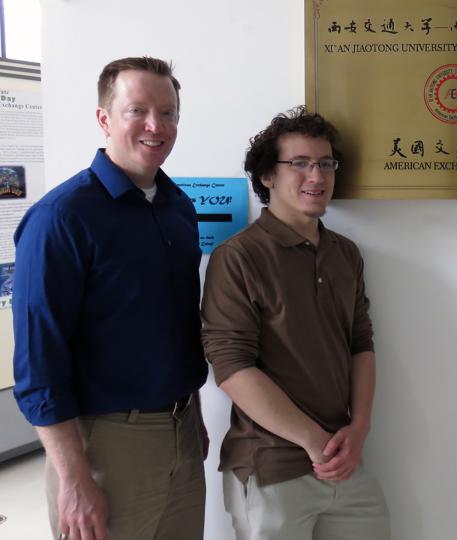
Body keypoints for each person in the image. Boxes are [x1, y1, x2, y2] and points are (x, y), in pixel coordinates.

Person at [12, 57, 208, 540]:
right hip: (103, 445)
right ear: (104, 118)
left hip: (181, 434)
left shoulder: (178, 207)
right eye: (136, 110)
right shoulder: (61, 218)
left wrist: (194, 415)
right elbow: (39, 361)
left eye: (168, 112)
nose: (155, 125)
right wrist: (74, 478)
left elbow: (178, 327)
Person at [201, 106, 389, 540]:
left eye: (325, 163)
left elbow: (361, 343)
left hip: (346, 461)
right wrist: (313, 440)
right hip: (271, 468)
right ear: (267, 175)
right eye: (299, 163)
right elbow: (230, 367)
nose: (317, 176)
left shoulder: (346, 254)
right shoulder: (239, 257)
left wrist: (358, 429)